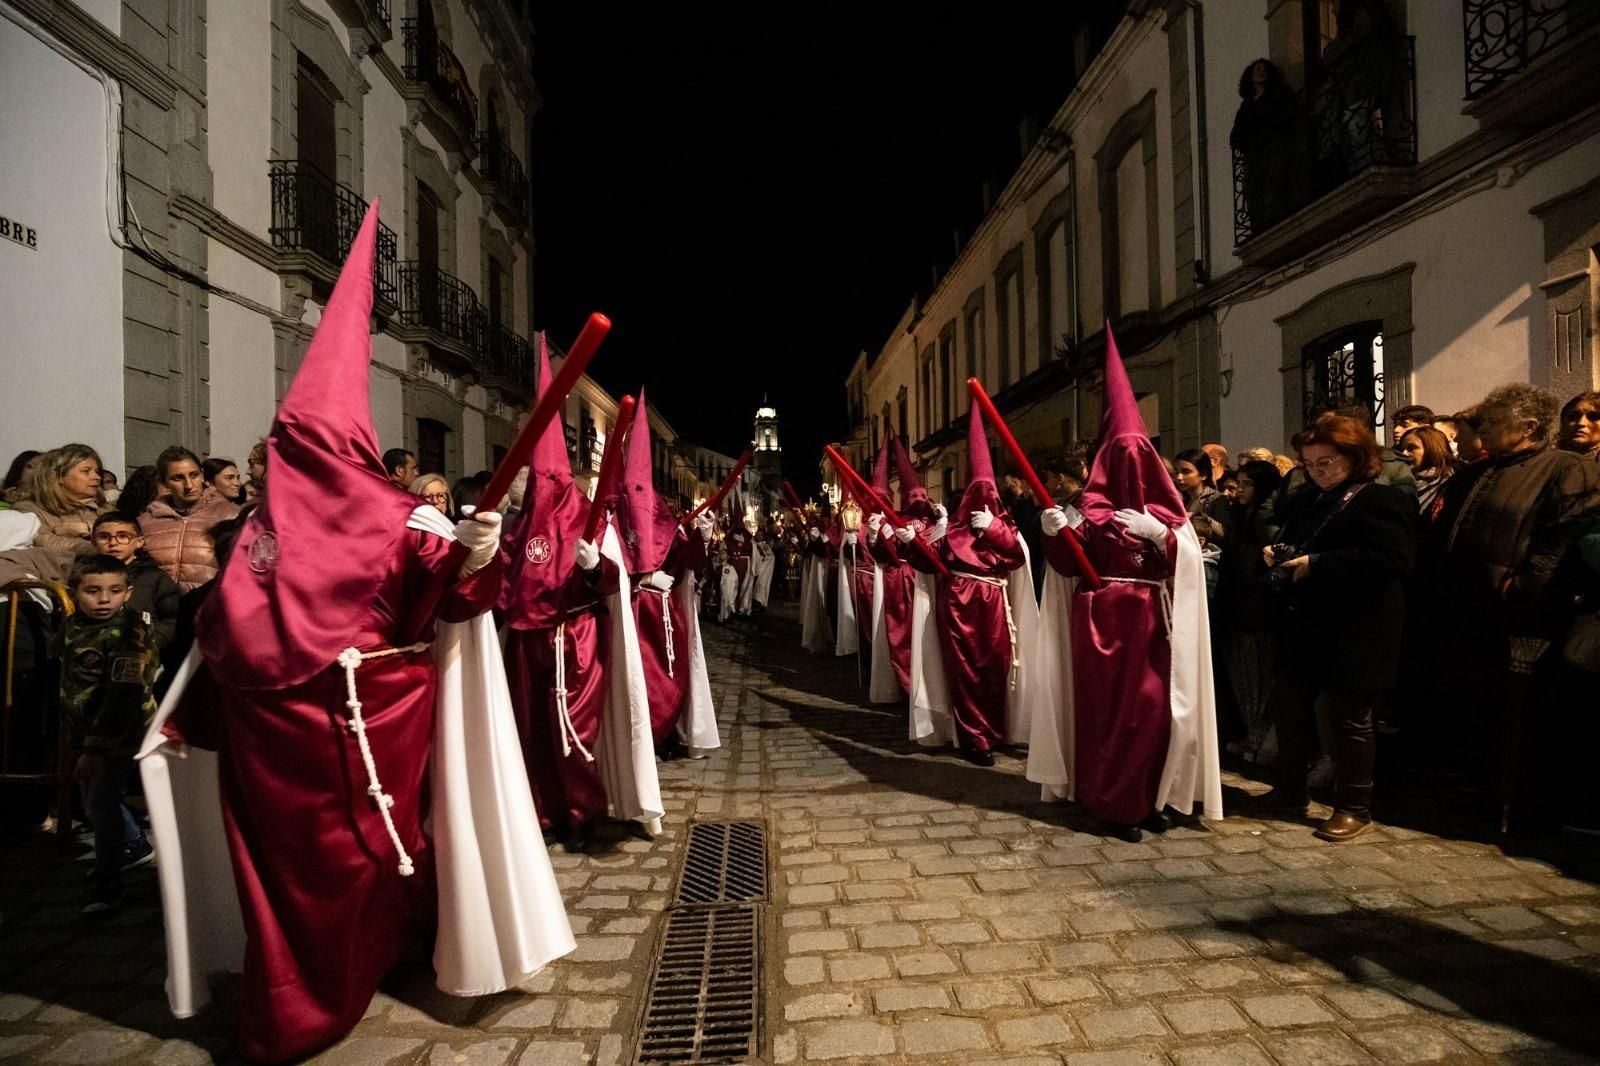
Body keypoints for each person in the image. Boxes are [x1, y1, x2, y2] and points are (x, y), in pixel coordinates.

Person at [137, 206, 572, 1062]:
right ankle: (308, 997)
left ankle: (324, 982)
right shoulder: (377, 517)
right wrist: (469, 561)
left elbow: (446, 592)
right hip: (343, 729)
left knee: (321, 869)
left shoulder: (289, 518)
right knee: (354, 861)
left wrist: (474, 554)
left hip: (327, 727)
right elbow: (450, 600)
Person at [1027, 330, 1222, 840]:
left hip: (1153, 624)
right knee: (1107, 716)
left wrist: (1164, 538)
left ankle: (1149, 794)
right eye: (1120, 458)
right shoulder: (1089, 514)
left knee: (1154, 711)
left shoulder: (1170, 516)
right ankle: (1113, 803)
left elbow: (1190, 567)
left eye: (1140, 457)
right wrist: (1055, 537)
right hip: (1101, 624)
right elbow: (1068, 569)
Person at [501, 338, 661, 854]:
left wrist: (596, 567)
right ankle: (545, 810)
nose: (535, 482)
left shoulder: (583, 514)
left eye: (543, 474)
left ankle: (584, 810)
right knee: (534, 734)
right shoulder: (516, 524)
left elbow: (613, 577)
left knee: (575, 735)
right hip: (526, 644)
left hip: (575, 641)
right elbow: (503, 580)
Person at [1427, 384, 1600, 830]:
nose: (1482, 427)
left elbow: (1562, 540)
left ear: (1526, 427)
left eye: (1493, 421)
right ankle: (1476, 790)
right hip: (1464, 610)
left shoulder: (1568, 469)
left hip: (1521, 617)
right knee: (1472, 707)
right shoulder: (1475, 472)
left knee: (1521, 718)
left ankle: (1521, 805)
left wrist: (1520, 587)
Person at [1253, 414, 1416, 842]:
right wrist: (1276, 552)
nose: (1318, 471)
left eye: (1326, 462)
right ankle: (1290, 791)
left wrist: (1318, 564)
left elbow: (1393, 561)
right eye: (1309, 463)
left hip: (1357, 626)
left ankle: (1355, 807)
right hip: (1304, 622)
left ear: (1356, 456)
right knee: (1290, 709)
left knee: (1349, 719)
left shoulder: (1382, 500)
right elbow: (1295, 539)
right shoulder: (1310, 498)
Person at [899, 403, 1037, 766]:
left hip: (994, 604)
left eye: (989, 494)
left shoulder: (1004, 528)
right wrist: (907, 541)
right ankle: (974, 737)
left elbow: (1017, 557)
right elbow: (924, 562)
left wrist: (992, 527)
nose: (983, 501)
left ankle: (995, 728)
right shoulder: (952, 531)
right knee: (964, 671)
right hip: (959, 605)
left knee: (996, 668)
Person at [615, 389, 718, 761]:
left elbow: (686, 559)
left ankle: (669, 734)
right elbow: (606, 566)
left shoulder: (664, 520)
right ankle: (640, 741)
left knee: (670, 678)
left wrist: (701, 535)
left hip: (665, 615)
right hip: (630, 615)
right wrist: (638, 581)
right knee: (636, 679)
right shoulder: (615, 520)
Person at [60, 554, 162, 914]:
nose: (104, 599)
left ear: (128, 592)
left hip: (115, 738)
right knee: (95, 802)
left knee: (100, 805)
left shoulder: (126, 635)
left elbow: (123, 697)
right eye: (93, 591)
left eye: (115, 591)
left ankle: (109, 885)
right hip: (87, 734)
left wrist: (96, 750)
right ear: (73, 592)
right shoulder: (74, 625)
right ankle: (133, 845)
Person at [1221, 459, 1284, 763]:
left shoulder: (1265, 518)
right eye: (1239, 483)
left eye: (1248, 484)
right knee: (1244, 673)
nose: (1240, 490)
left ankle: (1261, 738)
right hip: (1242, 603)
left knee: (1258, 672)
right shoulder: (1244, 515)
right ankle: (1253, 734)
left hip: (1259, 606)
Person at [139, 446, 241, 593]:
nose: (188, 485)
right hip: (162, 611)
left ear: (203, 476)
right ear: (163, 482)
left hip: (208, 607)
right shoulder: (146, 521)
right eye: (178, 478)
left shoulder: (230, 515)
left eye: (194, 475)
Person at [1230, 58, 1301, 233]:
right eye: (1257, 69)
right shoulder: (1246, 106)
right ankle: (1259, 222)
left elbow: (1288, 118)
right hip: (1255, 157)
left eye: (1264, 69)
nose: (1261, 72)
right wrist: (1251, 143)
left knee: (1275, 181)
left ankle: (1275, 215)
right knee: (1254, 189)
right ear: (1250, 77)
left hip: (1274, 149)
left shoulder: (1279, 95)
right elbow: (1235, 136)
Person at [91, 512, 180, 651]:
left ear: (139, 542)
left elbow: (174, 618)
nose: (113, 543)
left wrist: (149, 644)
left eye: (123, 536)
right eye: (104, 537)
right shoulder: (84, 575)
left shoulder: (154, 577)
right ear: (93, 542)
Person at [1174, 448, 1231, 548]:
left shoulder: (1217, 499)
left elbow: (1225, 534)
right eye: (1176, 472)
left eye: (1186, 472)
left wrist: (1201, 516)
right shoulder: (1182, 501)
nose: (1179, 477)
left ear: (1203, 475)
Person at [1397, 425, 1456, 520]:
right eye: (1402, 449)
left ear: (1432, 448)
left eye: (1411, 448)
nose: (1404, 454)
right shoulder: (1400, 483)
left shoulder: (1450, 485)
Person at [1558, 390, 1600, 462]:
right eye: (1573, 417)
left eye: (1594, 417)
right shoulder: (1545, 461)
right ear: (1563, 423)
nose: (1581, 423)